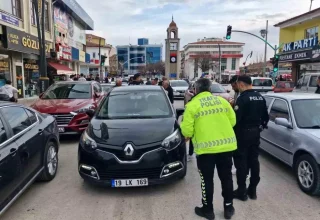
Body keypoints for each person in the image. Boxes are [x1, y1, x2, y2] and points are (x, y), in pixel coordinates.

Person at [180, 78, 237, 220]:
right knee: (227, 178)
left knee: (207, 180)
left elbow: (186, 131)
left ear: (196, 90)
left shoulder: (192, 106)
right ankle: (228, 208)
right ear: (210, 89)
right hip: (226, 148)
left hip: (205, 152)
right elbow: (233, 121)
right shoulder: (222, 102)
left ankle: (208, 210)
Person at [233, 75, 269, 202]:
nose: (237, 87)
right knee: (254, 161)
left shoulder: (242, 99)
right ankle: (252, 190)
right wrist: (259, 127)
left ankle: (241, 191)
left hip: (242, 135)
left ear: (241, 84)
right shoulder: (260, 97)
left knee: (241, 162)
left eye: (237, 85)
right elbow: (266, 117)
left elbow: (236, 120)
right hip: (255, 134)